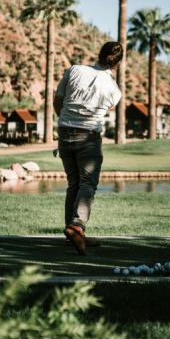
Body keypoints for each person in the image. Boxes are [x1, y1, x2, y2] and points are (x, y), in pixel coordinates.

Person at [54, 41, 123, 254]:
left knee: (73, 184)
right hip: (89, 138)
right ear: (117, 63)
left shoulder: (75, 70)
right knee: (87, 184)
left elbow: (58, 101)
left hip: (65, 133)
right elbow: (105, 108)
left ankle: (72, 234)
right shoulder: (114, 90)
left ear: (99, 54)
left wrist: (67, 122)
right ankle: (77, 226)